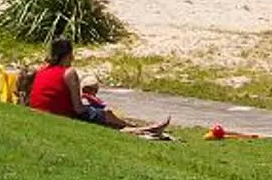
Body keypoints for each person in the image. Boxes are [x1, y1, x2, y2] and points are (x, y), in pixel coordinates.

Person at [25, 36, 171, 136]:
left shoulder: (42, 70)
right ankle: (141, 129)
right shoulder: (69, 72)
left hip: (40, 111)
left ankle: (137, 127)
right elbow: (77, 108)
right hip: (60, 115)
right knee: (106, 116)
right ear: (69, 54)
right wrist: (94, 110)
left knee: (102, 115)